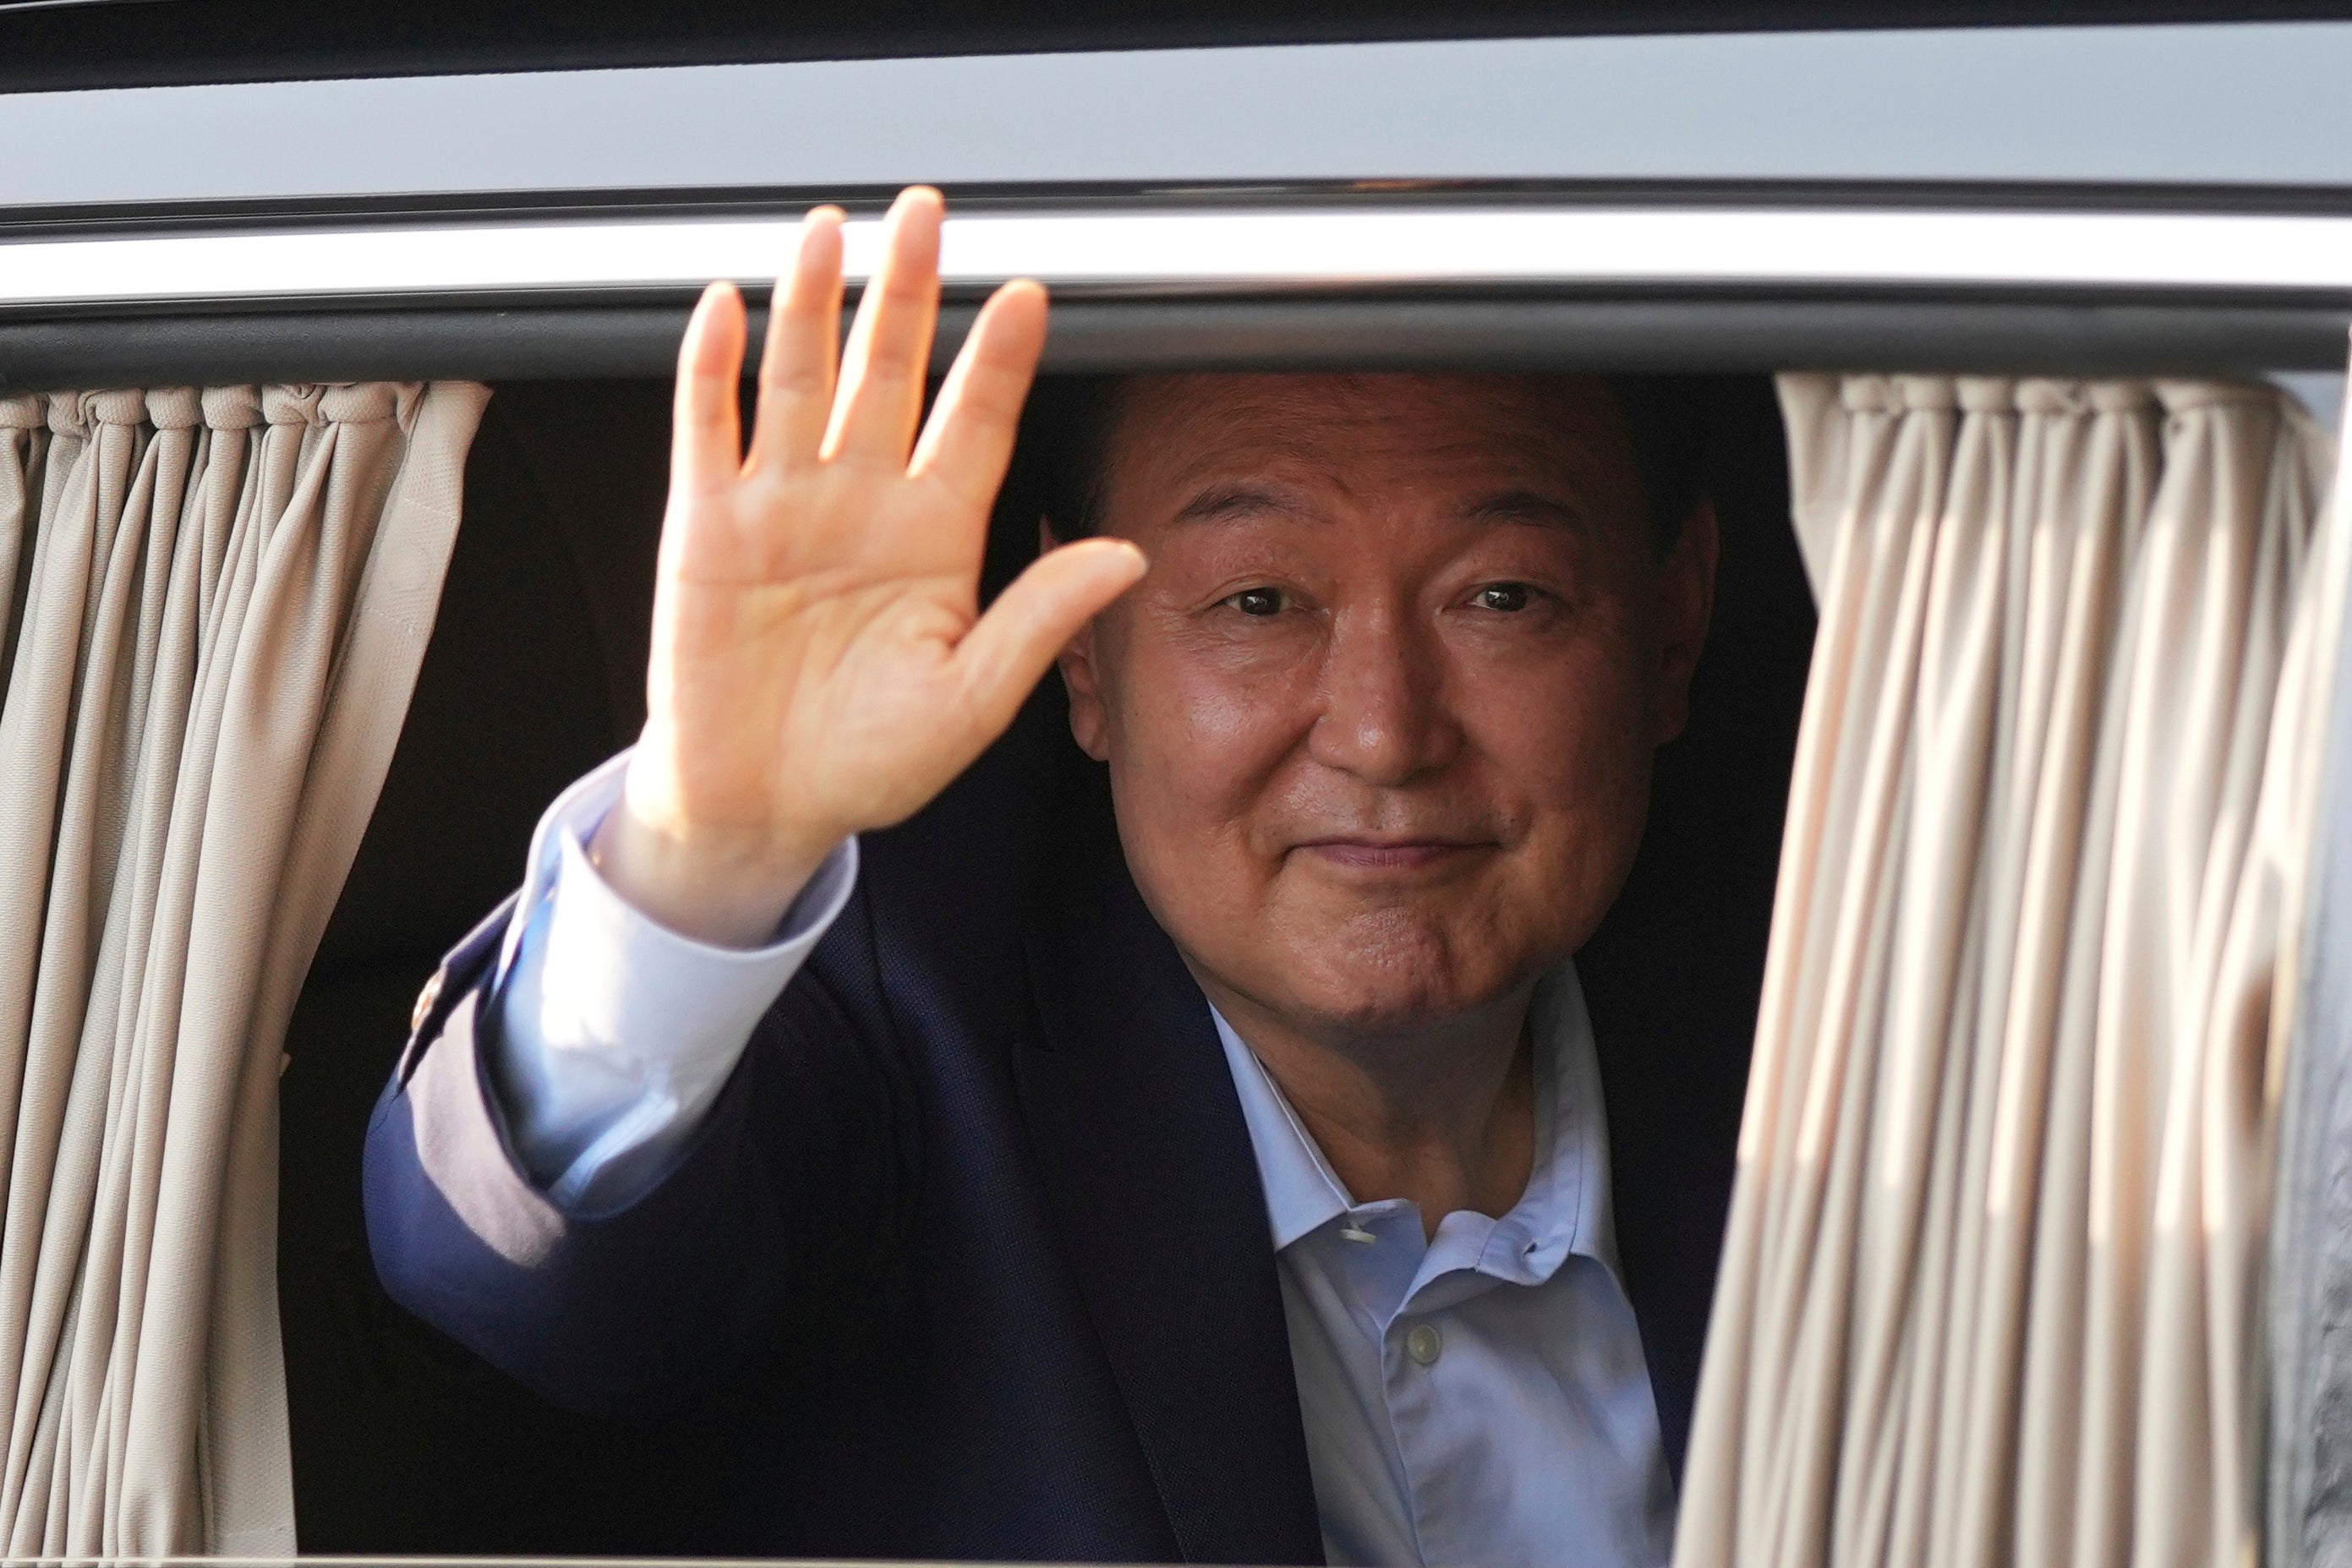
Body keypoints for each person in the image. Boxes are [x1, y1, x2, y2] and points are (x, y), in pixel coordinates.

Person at [364, 186, 1723, 1568]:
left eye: (1501, 597)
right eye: (1258, 602)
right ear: (1084, 652)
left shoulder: (1870, 1010)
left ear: (1671, 627)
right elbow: (519, 1275)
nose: (1383, 732)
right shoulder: (907, 1016)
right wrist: (705, 851)